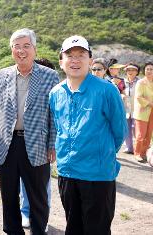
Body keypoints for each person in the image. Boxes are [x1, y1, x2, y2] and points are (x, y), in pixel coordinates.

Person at [49, 35, 127, 235]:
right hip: (67, 172)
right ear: (61, 61)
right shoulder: (56, 93)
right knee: (73, 227)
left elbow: (119, 131)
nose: (75, 60)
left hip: (97, 174)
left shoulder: (106, 90)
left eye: (81, 55)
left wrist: (103, 153)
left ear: (90, 60)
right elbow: (58, 127)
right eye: (69, 55)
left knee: (97, 229)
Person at [0, 28, 59, 235]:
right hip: (6, 143)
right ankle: (13, 231)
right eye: (17, 46)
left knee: (38, 197)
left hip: (37, 143)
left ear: (34, 49)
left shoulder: (50, 76)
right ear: (11, 50)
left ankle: (38, 231)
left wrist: (52, 144)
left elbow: (54, 115)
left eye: (26, 46)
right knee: (8, 194)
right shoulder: (1, 76)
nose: (21, 51)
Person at [18, 58, 54, 231]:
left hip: (42, 143)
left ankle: (41, 217)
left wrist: (52, 145)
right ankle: (25, 212)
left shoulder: (53, 85)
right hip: (21, 141)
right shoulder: (22, 83)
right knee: (24, 182)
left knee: (43, 185)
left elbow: (53, 119)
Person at [133, 62, 153, 162]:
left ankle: (143, 152)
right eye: (147, 69)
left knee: (149, 135)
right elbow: (139, 97)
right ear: (144, 71)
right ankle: (137, 153)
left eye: (151, 69)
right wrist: (150, 103)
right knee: (141, 135)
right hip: (142, 112)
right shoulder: (141, 82)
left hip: (152, 113)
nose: (149, 71)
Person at [122, 63, 140, 154]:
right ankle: (129, 147)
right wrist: (121, 95)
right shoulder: (122, 82)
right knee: (126, 129)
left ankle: (138, 149)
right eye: (128, 70)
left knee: (136, 130)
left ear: (137, 72)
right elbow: (119, 91)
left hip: (138, 110)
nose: (130, 72)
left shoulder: (140, 82)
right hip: (126, 110)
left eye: (133, 70)